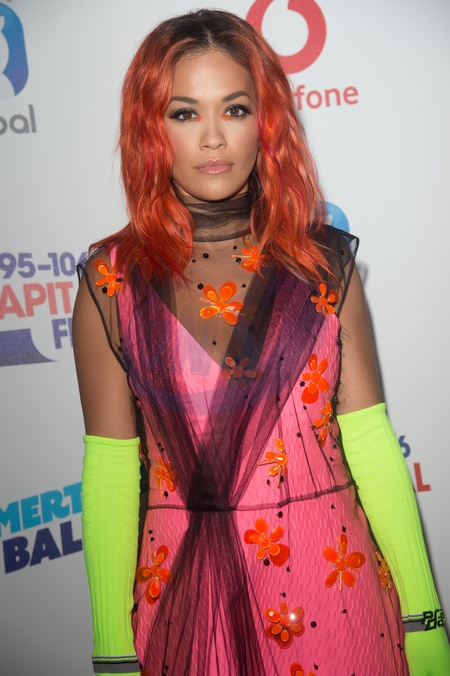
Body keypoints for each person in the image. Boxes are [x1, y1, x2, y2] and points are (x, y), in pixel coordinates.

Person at [73, 9, 450, 676]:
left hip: (335, 587)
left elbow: (369, 443)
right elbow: (109, 472)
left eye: (235, 109)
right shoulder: (112, 281)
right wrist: (111, 649)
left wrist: (424, 618)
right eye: (184, 113)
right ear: (150, 129)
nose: (213, 137)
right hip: (187, 606)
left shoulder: (321, 265)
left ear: (265, 122)